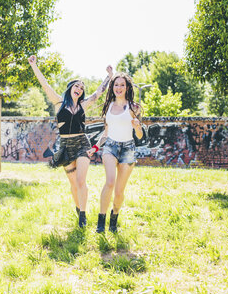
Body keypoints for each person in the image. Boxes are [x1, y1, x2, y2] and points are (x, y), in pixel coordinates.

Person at [28, 55, 112, 228]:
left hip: (82, 144)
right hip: (66, 146)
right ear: (70, 88)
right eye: (77, 86)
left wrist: (109, 77)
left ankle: (83, 215)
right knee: (73, 183)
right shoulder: (58, 102)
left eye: (82, 87)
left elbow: (98, 93)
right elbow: (45, 84)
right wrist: (34, 65)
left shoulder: (83, 105)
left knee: (81, 181)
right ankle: (78, 206)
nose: (80, 89)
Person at [87, 72, 143, 233]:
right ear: (112, 87)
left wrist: (137, 126)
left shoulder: (134, 107)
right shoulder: (109, 106)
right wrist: (95, 148)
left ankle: (113, 220)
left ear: (127, 88)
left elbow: (139, 135)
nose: (119, 87)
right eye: (116, 84)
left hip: (128, 150)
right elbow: (106, 133)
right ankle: (100, 222)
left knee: (119, 191)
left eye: (122, 85)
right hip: (110, 147)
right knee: (110, 183)